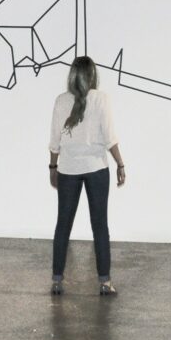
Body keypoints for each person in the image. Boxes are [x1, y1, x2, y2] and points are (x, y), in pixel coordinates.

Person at [47, 56, 126, 296]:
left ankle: (57, 280)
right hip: (96, 169)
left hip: (68, 169)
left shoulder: (61, 100)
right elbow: (110, 137)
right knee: (100, 225)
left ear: (72, 75)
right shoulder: (101, 99)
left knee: (63, 225)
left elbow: (55, 140)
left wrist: (52, 167)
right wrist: (120, 163)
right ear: (92, 76)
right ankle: (105, 282)